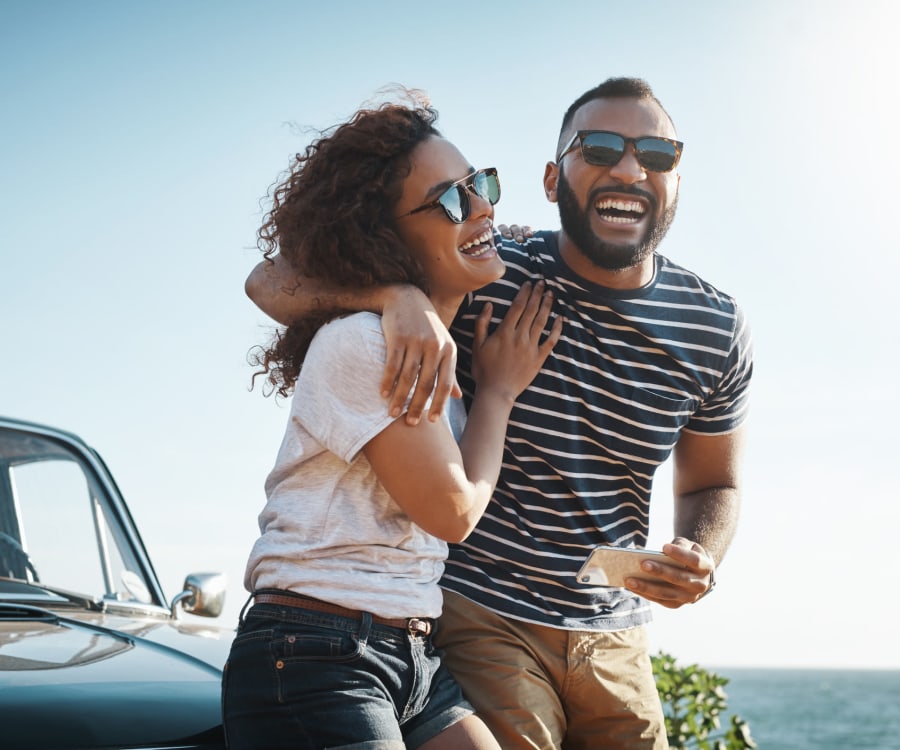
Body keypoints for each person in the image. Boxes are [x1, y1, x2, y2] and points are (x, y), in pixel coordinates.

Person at [245, 77, 753, 749]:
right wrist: (394, 293)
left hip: (615, 632)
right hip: (479, 615)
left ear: (678, 179)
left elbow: (714, 483)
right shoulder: (486, 265)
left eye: (656, 155)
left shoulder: (714, 326)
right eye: (599, 147)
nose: (629, 169)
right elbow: (272, 281)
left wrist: (701, 553)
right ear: (553, 178)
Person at [223, 92, 562, 750]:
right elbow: (453, 513)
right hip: (316, 655)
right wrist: (497, 393)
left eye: (482, 184)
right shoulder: (366, 343)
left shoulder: (426, 339)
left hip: (406, 654)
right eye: (454, 199)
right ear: (387, 236)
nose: (484, 205)